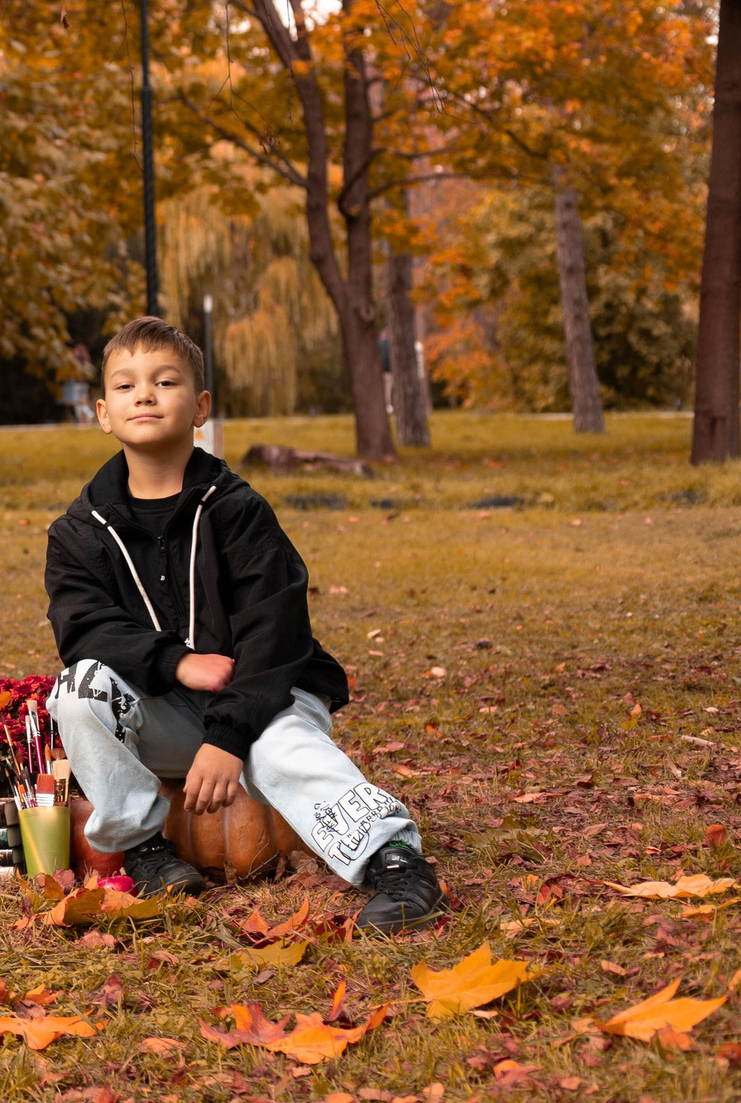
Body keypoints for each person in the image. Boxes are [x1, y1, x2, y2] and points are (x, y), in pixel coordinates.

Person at [43, 315, 443, 933]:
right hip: (166, 712)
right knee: (77, 691)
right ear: (103, 413)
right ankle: (144, 848)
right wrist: (176, 662)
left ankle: (395, 860)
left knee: (278, 753)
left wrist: (230, 736)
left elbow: (275, 633)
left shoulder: (238, 511)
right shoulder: (80, 531)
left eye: (164, 381)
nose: (144, 395)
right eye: (125, 386)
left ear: (200, 407)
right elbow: (84, 629)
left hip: (266, 699)